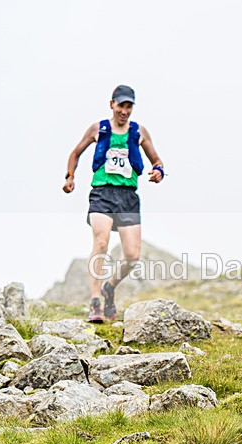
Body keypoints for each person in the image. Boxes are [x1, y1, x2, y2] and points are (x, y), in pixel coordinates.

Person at [62, 85, 165, 323]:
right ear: (112, 104)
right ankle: (95, 301)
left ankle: (110, 287)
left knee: (132, 256)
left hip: (128, 197)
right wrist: (70, 176)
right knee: (101, 242)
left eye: (129, 107)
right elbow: (75, 153)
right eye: (121, 105)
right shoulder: (99, 129)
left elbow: (156, 160)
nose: (124, 111)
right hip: (102, 194)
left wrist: (158, 170)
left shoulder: (139, 133)